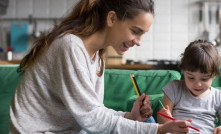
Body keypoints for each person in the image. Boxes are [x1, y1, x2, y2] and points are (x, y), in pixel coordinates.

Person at [9, 0, 193, 133]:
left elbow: (93, 110)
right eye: (135, 32)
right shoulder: (70, 46)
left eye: (142, 34)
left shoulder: (97, 55)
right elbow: (92, 119)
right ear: (112, 18)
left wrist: (130, 117)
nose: (138, 42)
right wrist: (157, 130)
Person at [157, 40, 221, 134]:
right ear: (184, 72)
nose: (197, 84)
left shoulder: (219, 96)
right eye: (191, 77)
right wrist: (165, 119)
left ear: (213, 76)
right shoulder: (174, 88)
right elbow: (163, 121)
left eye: (204, 79)